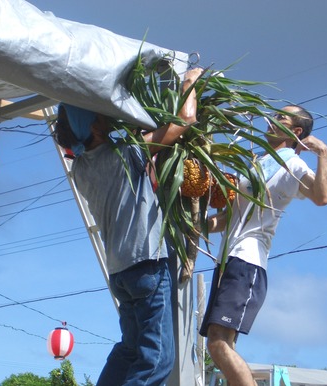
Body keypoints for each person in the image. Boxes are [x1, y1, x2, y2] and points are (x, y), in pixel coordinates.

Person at [53, 67, 202, 386]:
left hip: (121, 273)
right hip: (146, 265)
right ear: (93, 126)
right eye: (100, 115)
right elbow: (184, 120)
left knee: (130, 350)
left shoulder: (80, 168)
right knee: (157, 359)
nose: (107, 118)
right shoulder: (127, 153)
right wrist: (190, 81)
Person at [200, 105, 327, 386]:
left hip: (248, 261)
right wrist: (197, 225)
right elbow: (227, 218)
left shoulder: (292, 164)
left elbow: (322, 196)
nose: (272, 120)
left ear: (296, 131)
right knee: (222, 345)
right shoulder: (255, 163)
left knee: (218, 344)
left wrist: (323, 153)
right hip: (229, 260)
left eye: (281, 117)